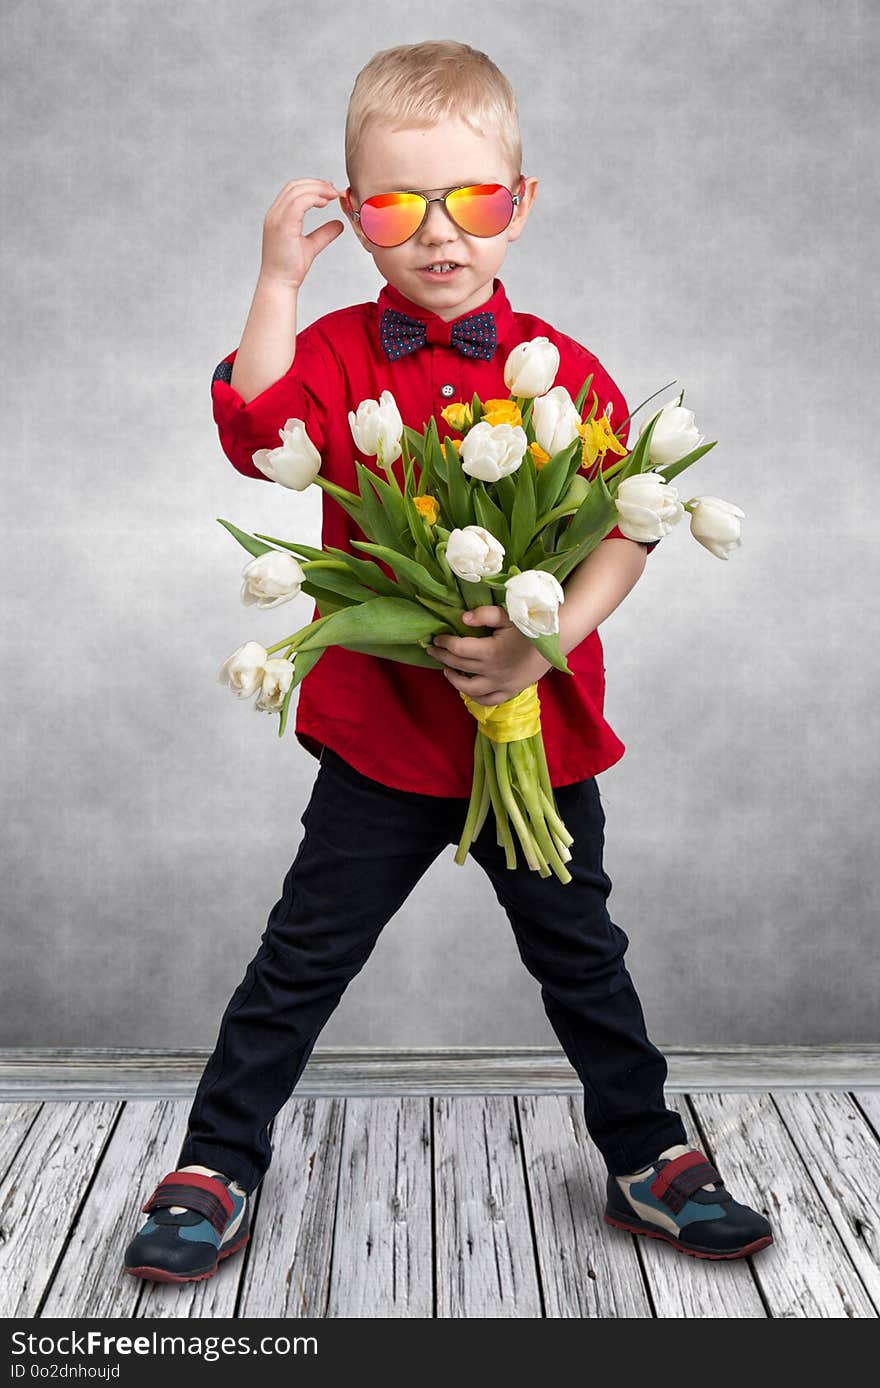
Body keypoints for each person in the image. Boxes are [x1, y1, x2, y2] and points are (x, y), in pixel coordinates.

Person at [124, 40, 772, 1285]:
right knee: (302, 954)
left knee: (581, 951)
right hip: (385, 736)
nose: (438, 235)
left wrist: (549, 636)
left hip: (534, 726)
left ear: (518, 206)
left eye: (471, 200)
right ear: (356, 216)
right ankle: (216, 1160)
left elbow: (629, 527)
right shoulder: (338, 358)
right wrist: (273, 280)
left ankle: (645, 1150)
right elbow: (257, 433)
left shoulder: (565, 375)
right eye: (395, 205)